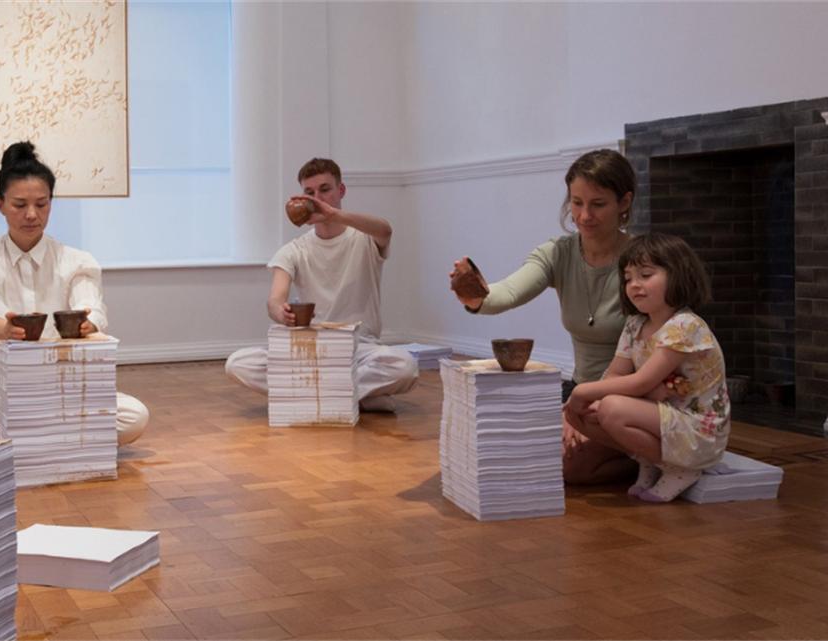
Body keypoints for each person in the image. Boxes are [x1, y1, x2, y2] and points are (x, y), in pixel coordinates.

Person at [450, 149, 636, 484]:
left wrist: (578, 412)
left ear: (624, 202)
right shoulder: (557, 253)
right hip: (580, 393)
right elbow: (505, 293)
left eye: (598, 204)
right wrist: (475, 295)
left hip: (628, 399)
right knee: (521, 454)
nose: (584, 215)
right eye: (577, 203)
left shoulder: (642, 261)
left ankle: (658, 458)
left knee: (567, 468)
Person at [0, 142, 148, 446]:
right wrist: (4, 328)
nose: (31, 214)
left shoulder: (77, 260)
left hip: (63, 387)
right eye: (19, 205)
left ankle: (32, 436)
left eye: (41, 204)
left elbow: (91, 306)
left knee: (135, 416)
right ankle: (58, 436)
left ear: (52, 202)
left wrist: (89, 324)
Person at [225, 158, 419, 412]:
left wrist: (334, 214)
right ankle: (357, 397)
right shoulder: (294, 250)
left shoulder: (364, 238)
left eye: (325, 190)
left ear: (341, 191)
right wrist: (279, 312)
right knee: (237, 363)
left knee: (405, 367)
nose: (317, 198)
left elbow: (385, 230)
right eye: (310, 192)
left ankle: (314, 395)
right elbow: (275, 299)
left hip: (360, 347)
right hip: (310, 351)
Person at [563, 233, 729, 502]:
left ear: (677, 275)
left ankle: (680, 468)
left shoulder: (684, 325)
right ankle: (650, 459)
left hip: (697, 431)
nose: (634, 285)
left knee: (610, 407)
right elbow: (616, 374)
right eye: (628, 278)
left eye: (646, 275)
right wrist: (581, 401)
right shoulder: (634, 325)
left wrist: (583, 391)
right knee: (579, 414)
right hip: (662, 418)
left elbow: (640, 381)